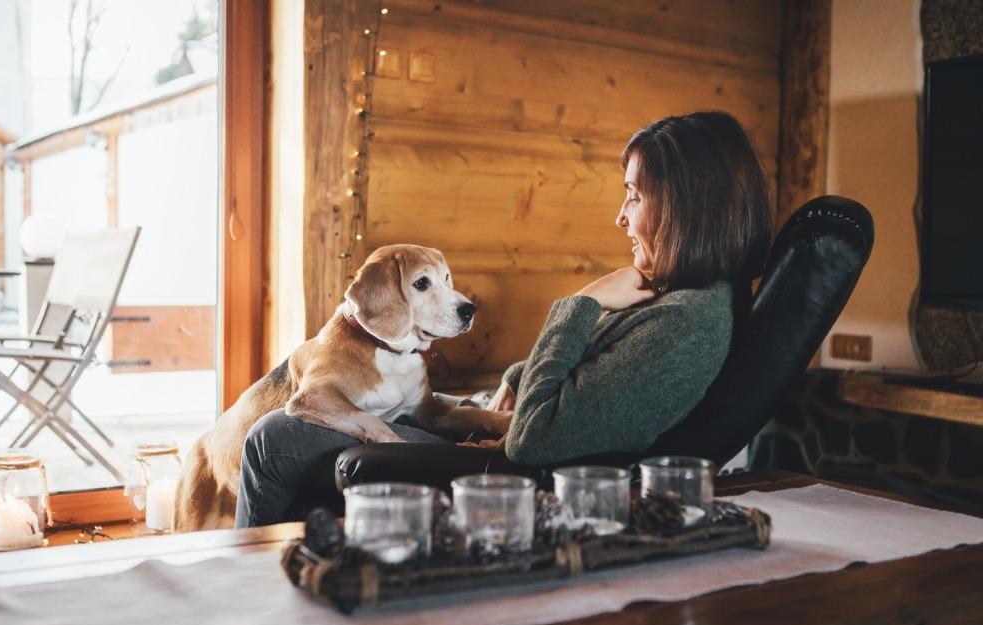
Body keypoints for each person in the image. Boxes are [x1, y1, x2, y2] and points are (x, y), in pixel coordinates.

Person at [234, 110, 770, 527]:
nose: (621, 216)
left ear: (687, 205)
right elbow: (572, 387)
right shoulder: (672, 296)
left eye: (635, 196)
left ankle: (247, 586)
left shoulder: (685, 328)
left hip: (516, 470)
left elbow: (535, 438)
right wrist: (517, 379)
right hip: (511, 439)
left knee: (272, 438)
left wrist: (581, 304)